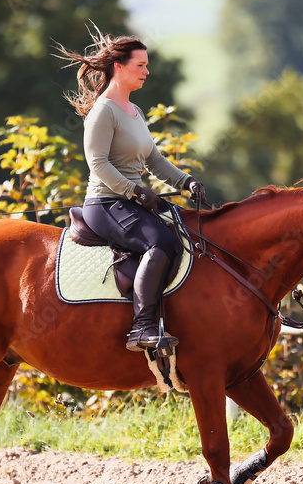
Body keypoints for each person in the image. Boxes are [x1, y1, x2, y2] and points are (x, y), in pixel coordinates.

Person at [57, 27, 205, 352]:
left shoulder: (134, 112)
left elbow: (154, 159)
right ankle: (141, 328)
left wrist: (186, 182)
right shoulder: (103, 112)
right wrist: (135, 192)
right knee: (160, 241)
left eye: (147, 65)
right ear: (119, 67)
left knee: (184, 232)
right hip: (105, 203)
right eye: (141, 65)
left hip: (129, 201)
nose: (147, 71)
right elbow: (97, 164)